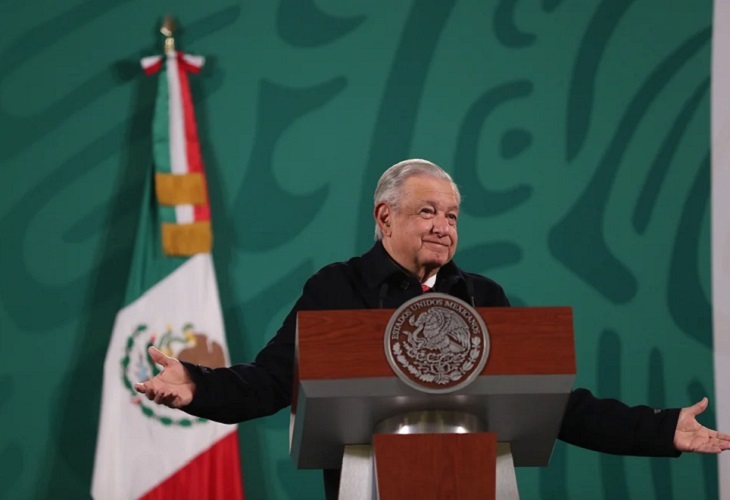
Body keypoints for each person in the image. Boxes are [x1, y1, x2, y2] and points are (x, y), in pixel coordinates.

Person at [135, 159, 730, 497]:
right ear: (383, 216)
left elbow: (556, 405)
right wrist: (197, 384)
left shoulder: (481, 297)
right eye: (428, 211)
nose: (444, 226)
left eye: (451, 215)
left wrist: (659, 430)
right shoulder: (336, 290)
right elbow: (269, 382)